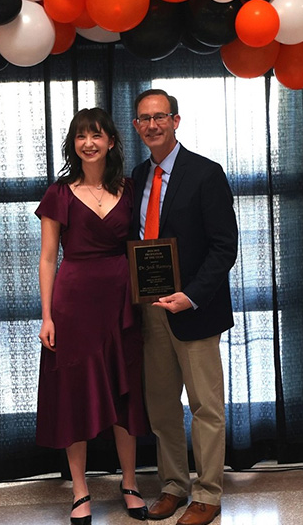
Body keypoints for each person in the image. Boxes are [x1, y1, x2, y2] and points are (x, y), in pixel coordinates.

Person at [35, 108, 150, 525]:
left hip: (123, 302)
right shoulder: (59, 193)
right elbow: (49, 258)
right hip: (74, 303)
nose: (89, 143)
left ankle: (131, 482)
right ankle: (80, 490)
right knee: (74, 394)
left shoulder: (132, 188)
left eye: (97, 135)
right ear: (74, 144)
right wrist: (47, 316)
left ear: (112, 142)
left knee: (126, 392)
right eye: (82, 136)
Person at [130, 90, 238, 525]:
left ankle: (208, 495)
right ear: (136, 126)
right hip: (150, 310)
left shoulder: (206, 173)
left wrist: (191, 295)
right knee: (161, 406)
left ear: (176, 121)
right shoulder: (137, 176)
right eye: (144, 119)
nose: (152, 125)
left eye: (160, 117)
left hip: (194, 309)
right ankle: (174, 486)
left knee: (205, 408)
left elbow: (224, 247)